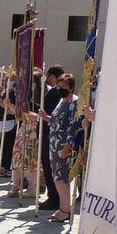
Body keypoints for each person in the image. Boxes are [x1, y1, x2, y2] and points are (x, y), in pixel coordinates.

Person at [45, 74, 86, 223]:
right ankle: (63, 207)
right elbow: (57, 122)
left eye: (63, 87)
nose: (60, 89)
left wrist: (67, 145)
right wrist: (46, 117)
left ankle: (65, 210)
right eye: (59, 86)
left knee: (62, 178)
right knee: (57, 177)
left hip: (64, 146)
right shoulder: (61, 101)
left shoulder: (75, 103)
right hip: (54, 144)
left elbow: (73, 126)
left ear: (71, 87)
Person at [36, 65, 66, 212]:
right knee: (48, 167)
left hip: (51, 134)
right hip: (49, 133)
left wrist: (43, 116)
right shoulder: (56, 92)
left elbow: (54, 115)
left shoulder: (57, 93)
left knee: (49, 167)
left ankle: (54, 198)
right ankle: (53, 197)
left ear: (53, 77)